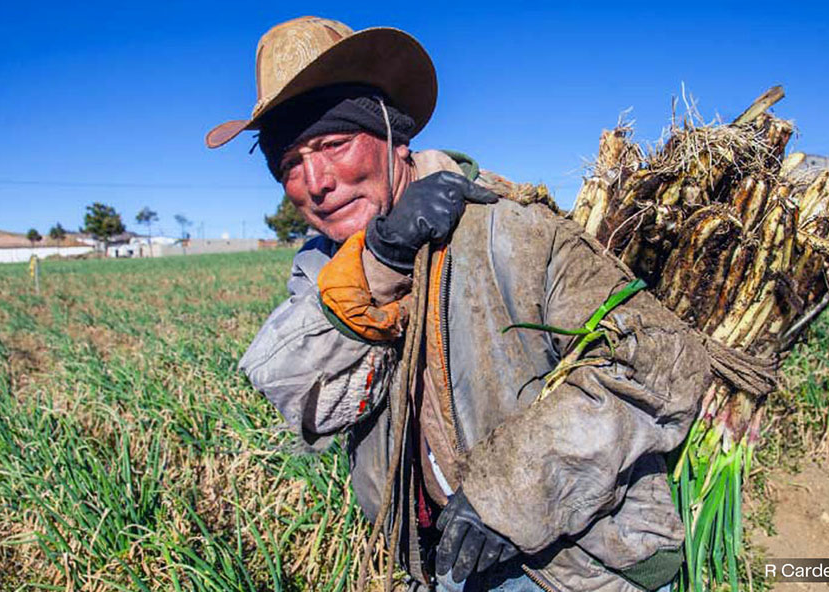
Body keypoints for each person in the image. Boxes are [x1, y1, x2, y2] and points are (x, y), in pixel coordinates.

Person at [206, 16, 712, 592]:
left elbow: (657, 363)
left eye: (332, 144)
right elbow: (301, 400)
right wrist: (381, 263)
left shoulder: (510, 229)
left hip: (575, 567)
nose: (315, 181)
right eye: (290, 164)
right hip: (444, 568)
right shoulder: (328, 270)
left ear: (394, 138)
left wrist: (509, 496)